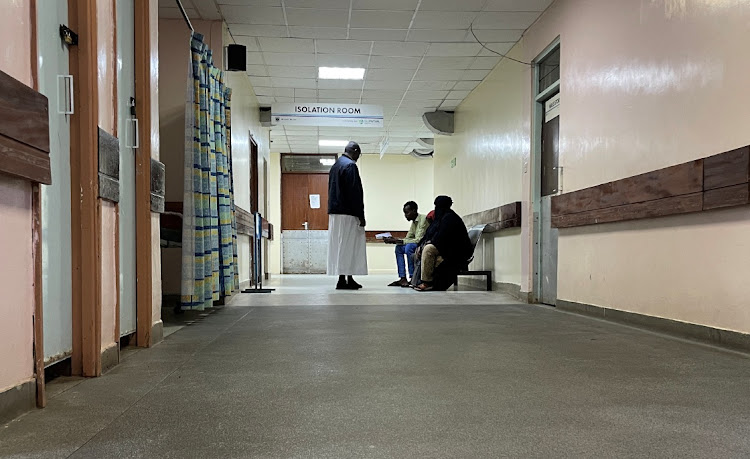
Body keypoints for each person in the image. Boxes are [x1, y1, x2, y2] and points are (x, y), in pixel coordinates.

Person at [327, 141, 367, 290]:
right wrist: (361, 215)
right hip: (348, 213)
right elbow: (354, 193)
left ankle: (343, 278)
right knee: (349, 246)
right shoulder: (350, 166)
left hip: (335, 213)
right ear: (355, 152)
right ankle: (347, 279)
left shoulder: (335, 166)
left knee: (340, 246)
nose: (358, 157)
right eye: (358, 154)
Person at [415, 196, 472, 292]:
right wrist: (419, 246)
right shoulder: (439, 218)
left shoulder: (451, 218)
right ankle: (421, 281)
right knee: (424, 249)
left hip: (456, 251)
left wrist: (427, 244)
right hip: (446, 249)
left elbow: (442, 237)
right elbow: (428, 234)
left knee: (428, 249)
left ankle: (427, 282)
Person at [385, 201, 431, 287]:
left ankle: (412, 276)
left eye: (407, 212)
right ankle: (403, 278)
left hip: (424, 244)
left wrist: (401, 241)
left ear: (414, 211)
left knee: (409, 247)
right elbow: (408, 238)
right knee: (399, 248)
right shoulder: (414, 222)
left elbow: (418, 240)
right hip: (416, 243)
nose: (405, 215)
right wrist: (397, 241)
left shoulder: (423, 219)